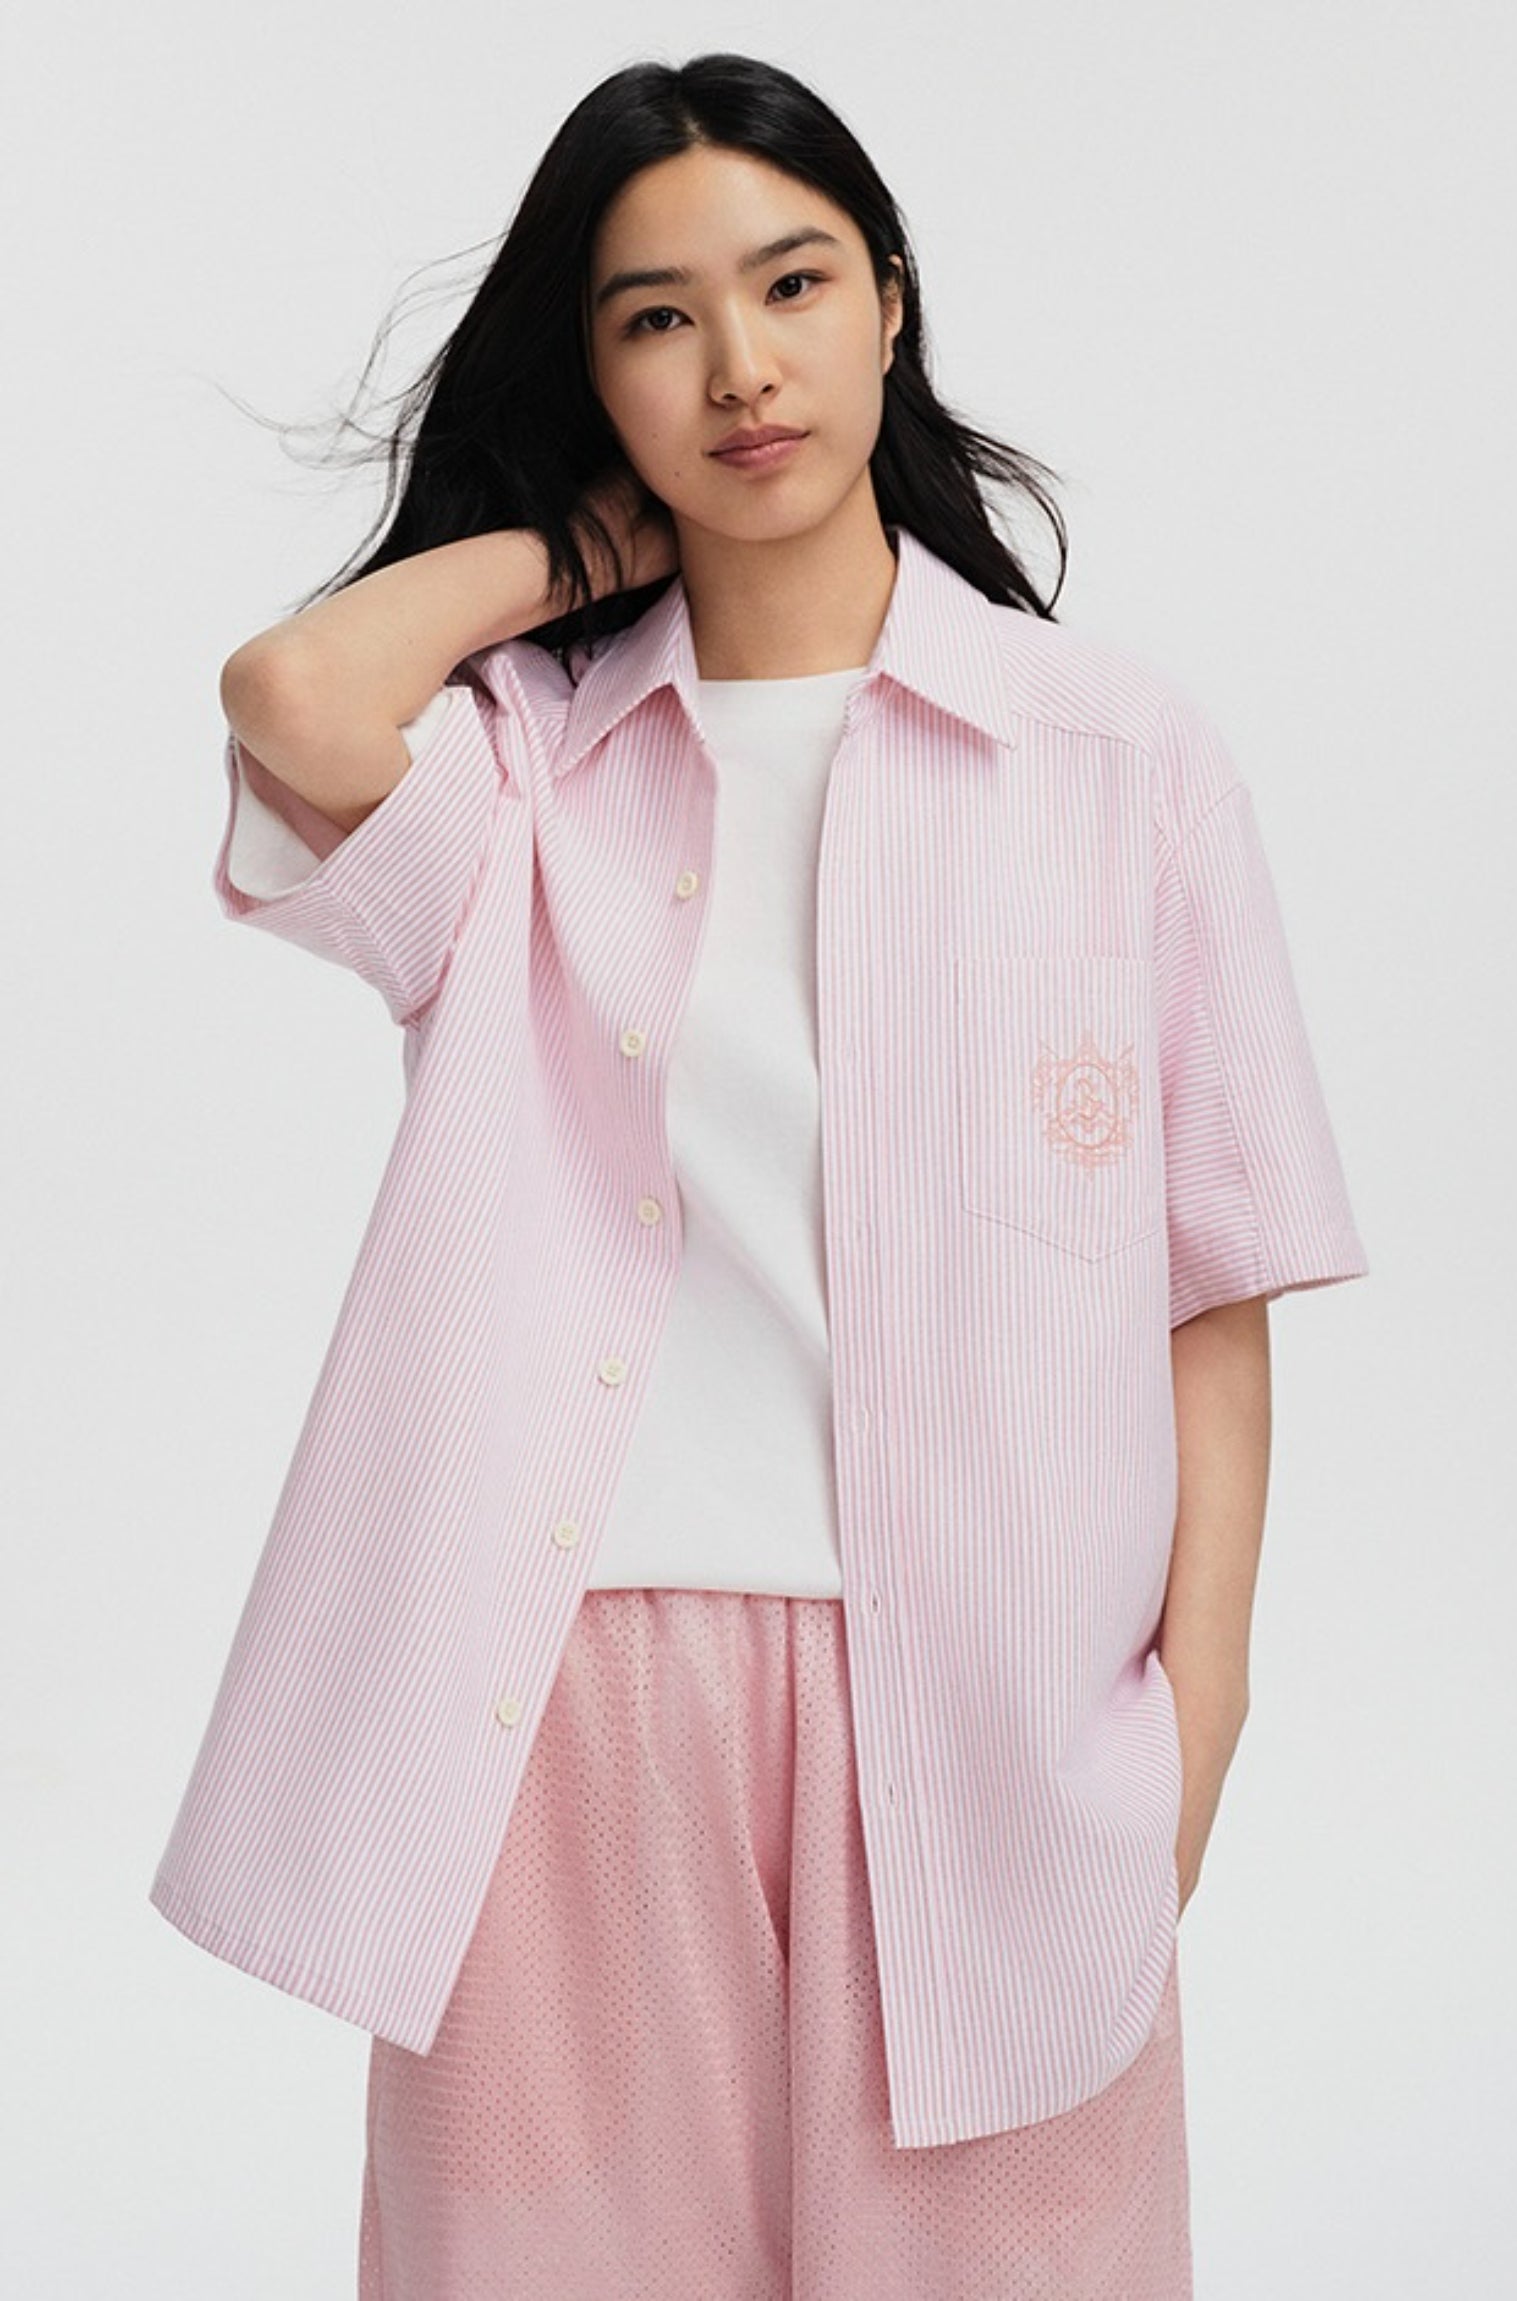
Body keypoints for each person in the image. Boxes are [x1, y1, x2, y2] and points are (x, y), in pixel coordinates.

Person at [150, 50, 1369, 2301]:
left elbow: (1212, 1292)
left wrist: (1183, 1744)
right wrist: (577, 553)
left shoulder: (1116, 760)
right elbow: (294, 690)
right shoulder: (528, 768)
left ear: (888, 299)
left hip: (993, 1725)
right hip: (573, 1710)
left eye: (792, 283)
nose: (739, 367)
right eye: (655, 318)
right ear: (594, 372)